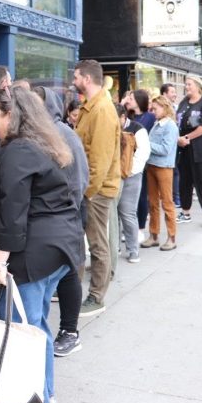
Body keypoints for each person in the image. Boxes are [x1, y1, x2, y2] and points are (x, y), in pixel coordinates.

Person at [0, 86, 84, 403]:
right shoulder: (46, 144)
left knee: (26, 334)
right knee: (37, 328)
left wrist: (0, 258)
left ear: (10, 116)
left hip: (35, 253)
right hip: (61, 248)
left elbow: (14, 211)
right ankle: (47, 396)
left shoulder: (18, 150)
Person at [33, 87, 89, 358]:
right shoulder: (36, 136)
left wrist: (68, 211)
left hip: (68, 215)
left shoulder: (65, 134)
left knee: (68, 273)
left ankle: (70, 331)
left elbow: (79, 180)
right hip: (51, 219)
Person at [72, 60, 121, 317]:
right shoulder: (92, 107)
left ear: (87, 79)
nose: (73, 80)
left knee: (97, 244)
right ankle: (75, 289)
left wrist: (86, 193)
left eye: (76, 76)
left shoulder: (101, 109)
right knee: (88, 242)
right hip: (89, 189)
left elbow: (99, 161)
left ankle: (96, 296)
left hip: (96, 191)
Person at [175, 75, 202, 228]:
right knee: (184, 182)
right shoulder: (184, 102)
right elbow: (177, 121)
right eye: (186, 84)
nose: (186, 87)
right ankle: (185, 212)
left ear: (198, 86)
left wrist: (186, 137)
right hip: (184, 149)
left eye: (189, 84)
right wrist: (179, 138)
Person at [142, 95, 180, 250]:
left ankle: (171, 238)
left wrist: (146, 143)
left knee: (167, 202)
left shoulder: (170, 126)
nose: (153, 111)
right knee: (152, 203)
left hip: (164, 167)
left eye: (155, 108)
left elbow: (165, 149)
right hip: (152, 165)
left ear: (164, 108)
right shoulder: (157, 124)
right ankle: (154, 235)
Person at [115, 104, 150, 263]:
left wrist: (126, 171)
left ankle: (133, 250)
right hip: (114, 176)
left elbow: (143, 155)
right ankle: (114, 248)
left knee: (127, 213)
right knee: (113, 214)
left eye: (116, 119)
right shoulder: (110, 126)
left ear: (123, 117)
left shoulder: (138, 129)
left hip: (131, 176)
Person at [122, 90, 154, 238]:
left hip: (141, 162)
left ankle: (140, 228)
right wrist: (123, 103)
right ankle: (127, 229)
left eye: (132, 98)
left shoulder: (149, 117)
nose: (129, 100)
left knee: (141, 196)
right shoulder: (128, 116)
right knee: (124, 200)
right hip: (125, 161)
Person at [160, 83, 180, 207]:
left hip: (176, 143)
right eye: (172, 92)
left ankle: (175, 198)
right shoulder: (159, 109)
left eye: (174, 91)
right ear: (164, 94)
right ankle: (168, 197)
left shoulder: (177, 108)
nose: (175, 94)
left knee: (176, 171)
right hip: (164, 145)